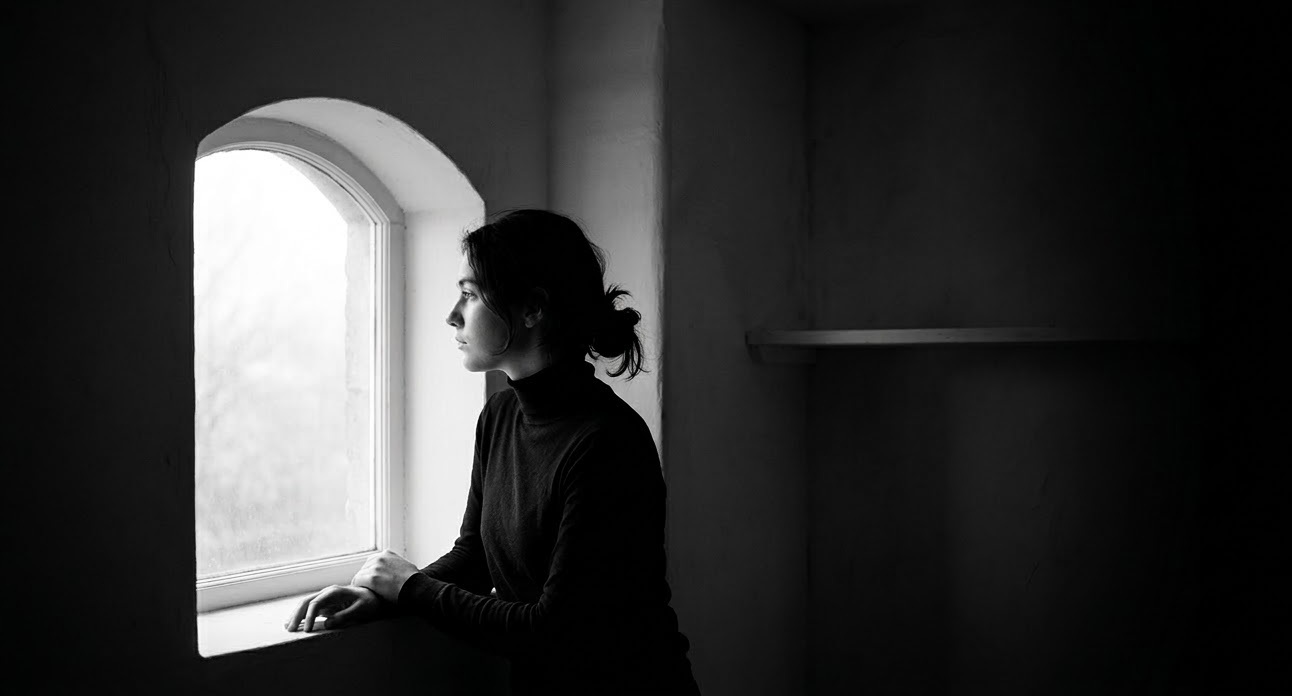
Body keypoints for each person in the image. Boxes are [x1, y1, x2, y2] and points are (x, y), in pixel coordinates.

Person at [285, 209, 701, 696]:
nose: (452, 315)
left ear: (532, 309)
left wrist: (411, 587)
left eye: (470, 293)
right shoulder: (500, 416)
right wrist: (380, 596)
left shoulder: (607, 444)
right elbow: (476, 555)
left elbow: (553, 630)